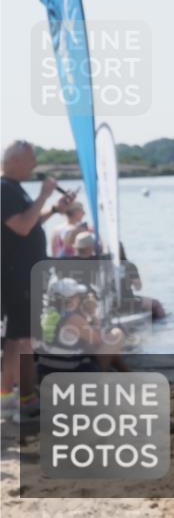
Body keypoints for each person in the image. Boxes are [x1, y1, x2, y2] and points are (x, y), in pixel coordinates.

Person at [1, 140, 75, 421]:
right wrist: (44, 195)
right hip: (16, 275)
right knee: (22, 339)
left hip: (24, 274)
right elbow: (21, 227)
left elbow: (28, 222)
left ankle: (11, 396)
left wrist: (54, 208)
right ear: (15, 161)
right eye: (31, 160)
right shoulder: (4, 188)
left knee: (18, 338)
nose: (35, 166)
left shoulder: (13, 188)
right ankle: (23, 398)